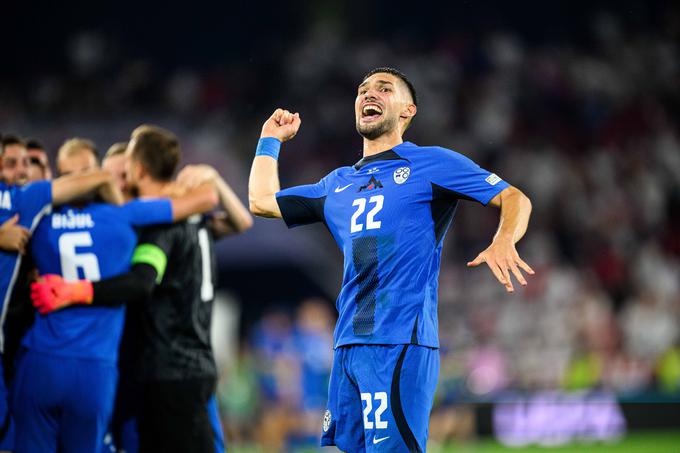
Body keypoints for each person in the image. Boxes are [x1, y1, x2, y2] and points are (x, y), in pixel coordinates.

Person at [248, 67, 534, 452]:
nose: (370, 94)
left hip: (399, 342)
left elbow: (514, 197)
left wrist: (504, 238)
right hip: (347, 345)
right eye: (363, 89)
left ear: (408, 110)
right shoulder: (335, 184)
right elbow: (261, 202)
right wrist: (269, 140)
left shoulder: (432, 163)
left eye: (385, 89)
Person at [32, 125, 252, 453]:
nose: (117, 185)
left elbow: (140, 282)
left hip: (163, 368)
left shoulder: (157, 226)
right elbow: (239, 221)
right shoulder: (186, 218)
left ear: (137, 171)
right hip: (175, 365)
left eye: (122, 175)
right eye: (109, 178)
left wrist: (75, 290)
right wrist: (214, 181)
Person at [0, 138, 123, 452]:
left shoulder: (39, 219)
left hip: (67, 366)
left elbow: (140, 283)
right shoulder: (32, 216)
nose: (24, 171)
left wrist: (79, 290)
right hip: (40, 365)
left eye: (31, 164)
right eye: (13, 163)